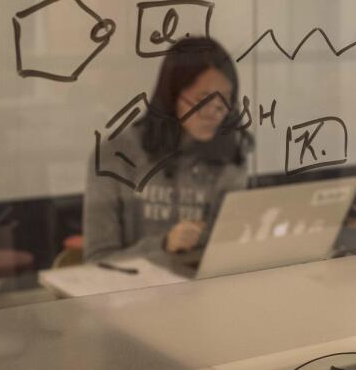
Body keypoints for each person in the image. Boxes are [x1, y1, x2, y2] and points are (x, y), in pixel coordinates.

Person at [84, 37, 251, 264]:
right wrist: (164, 245)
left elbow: (230, 255)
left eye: (224, 102)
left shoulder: (228, 158)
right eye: (203, 100)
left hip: (205, 291)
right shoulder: (115, 157)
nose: (215, 112)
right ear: (172, 95)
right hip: (132, 292)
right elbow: (97, 261)